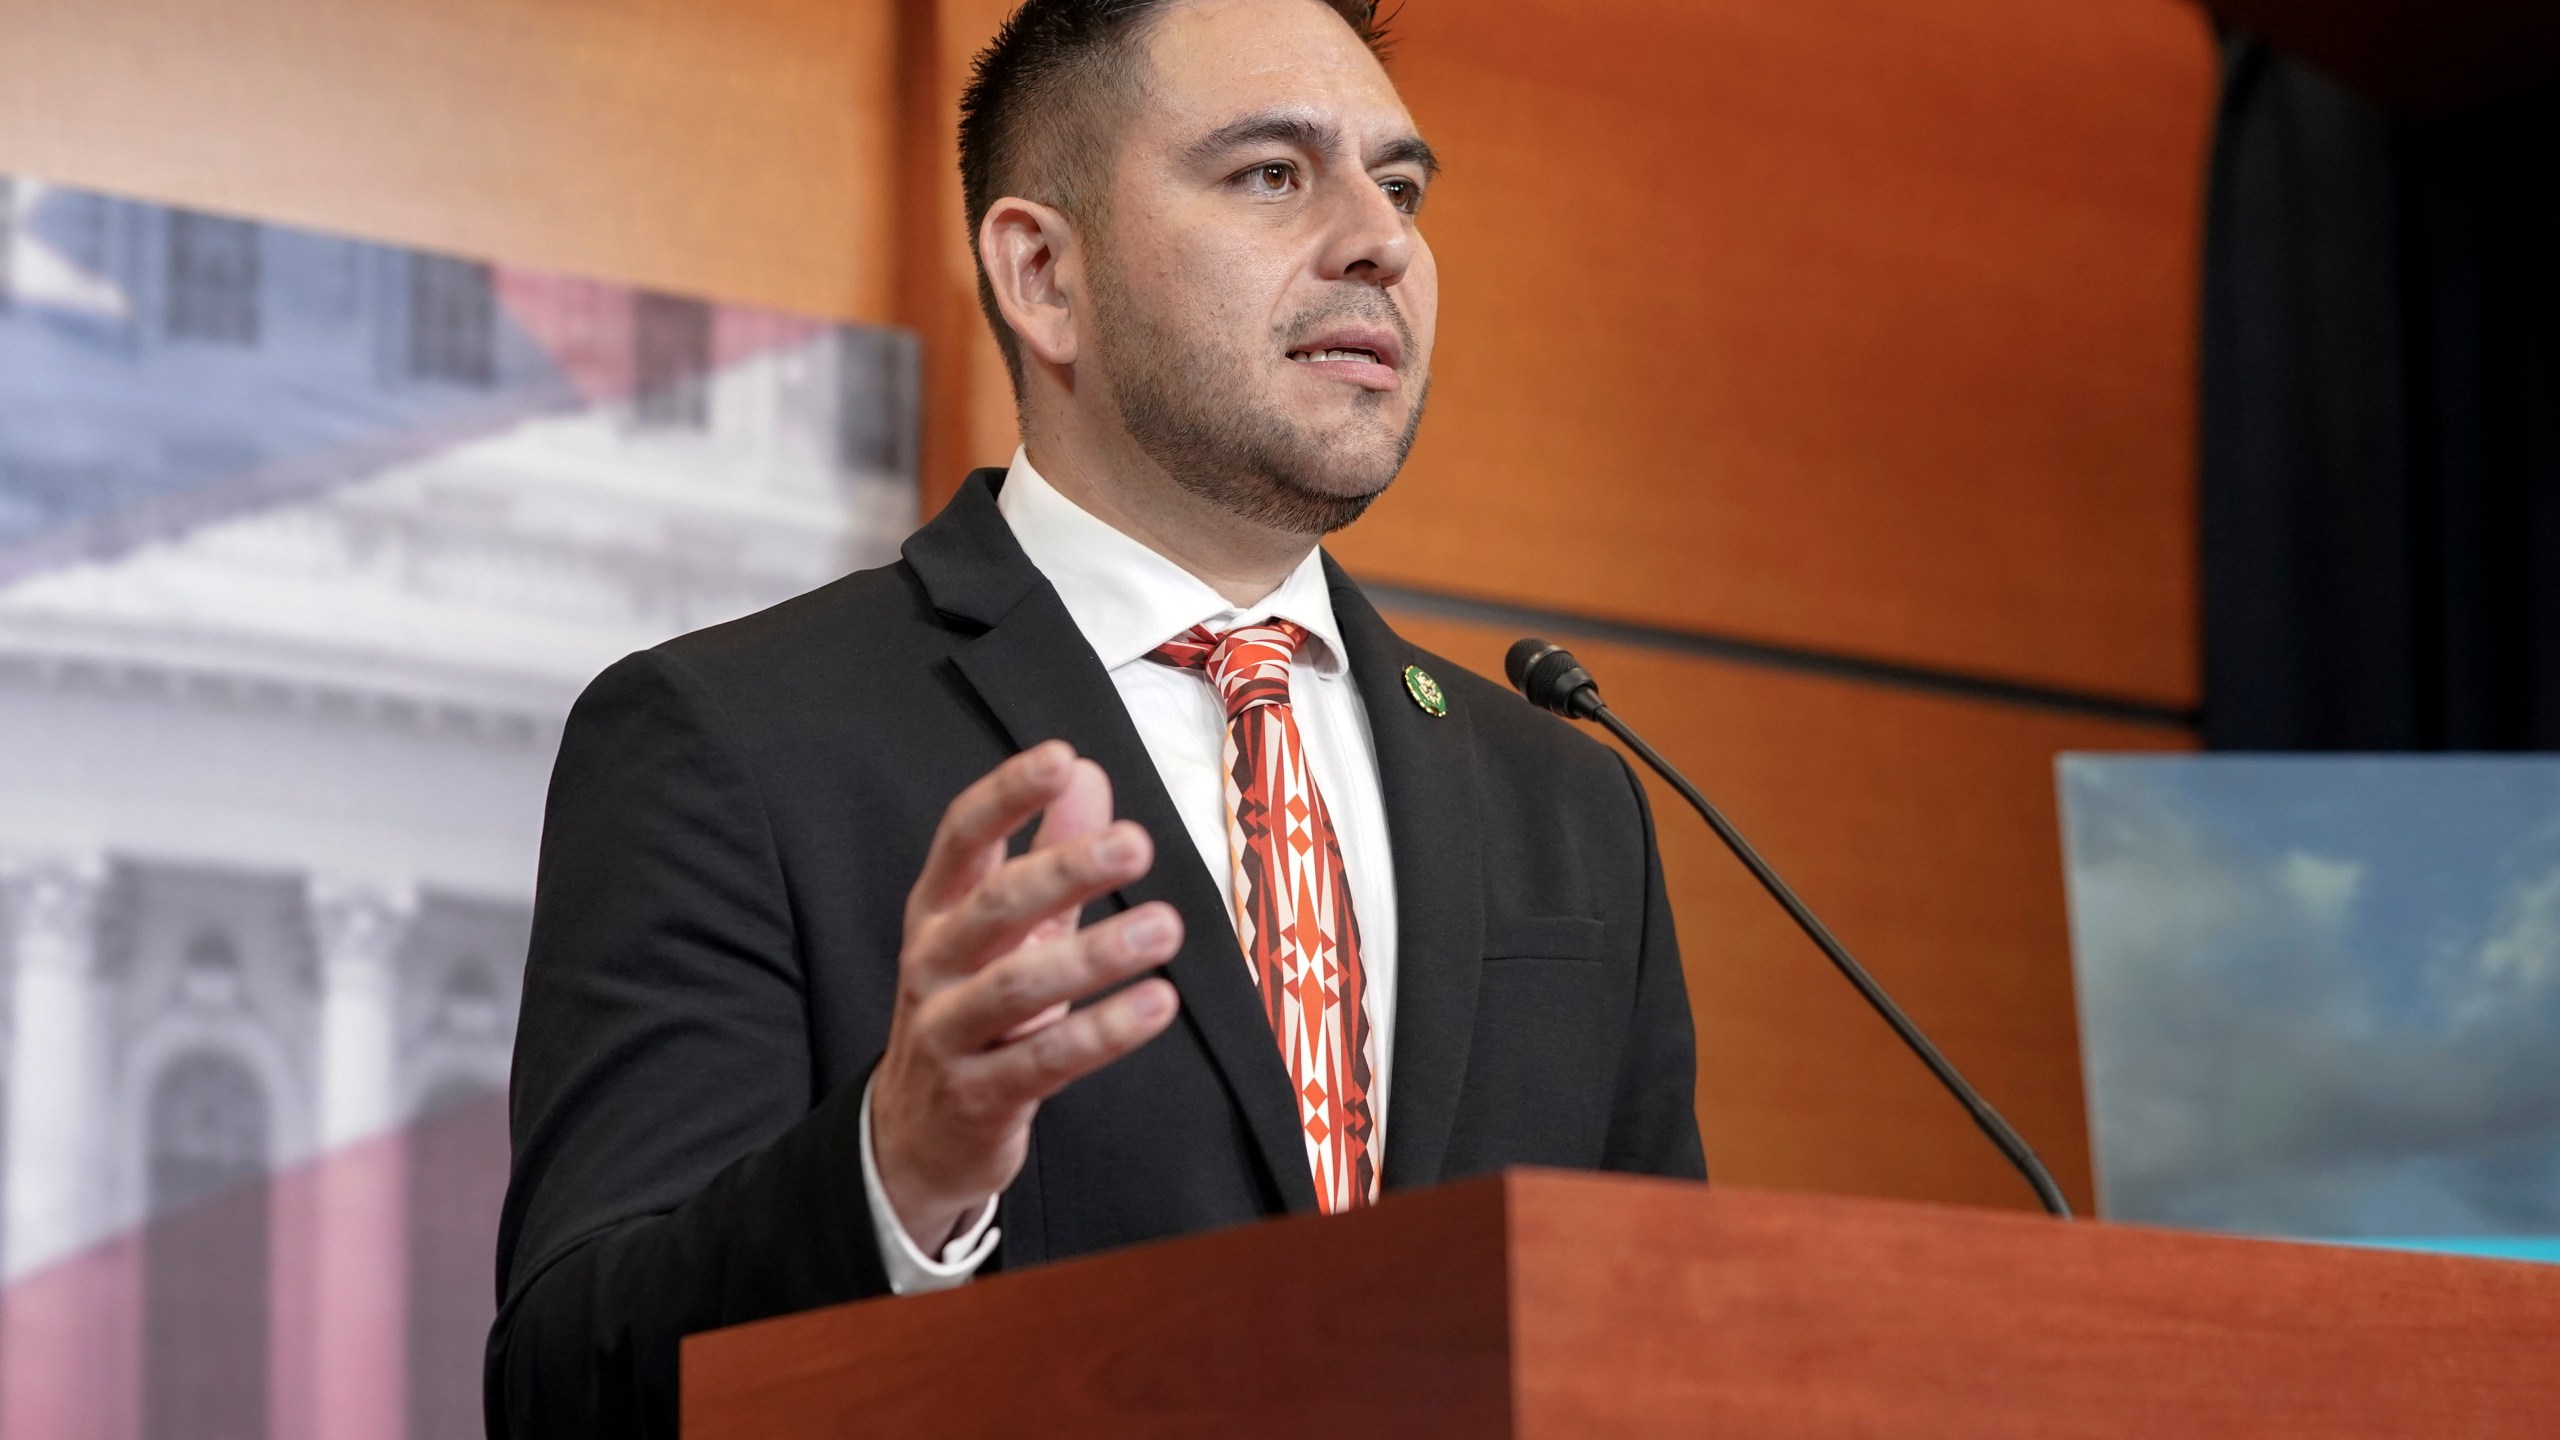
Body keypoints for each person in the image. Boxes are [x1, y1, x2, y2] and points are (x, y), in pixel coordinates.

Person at [486, 0, 1704, 1433]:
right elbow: (569, 1389)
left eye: (1402, 183)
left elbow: (1661, 1351)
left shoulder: (1565, 802)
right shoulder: (730, 742)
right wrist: (896, 1173)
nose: (1382, 240)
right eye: (1271, 173)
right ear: (1043, 273)